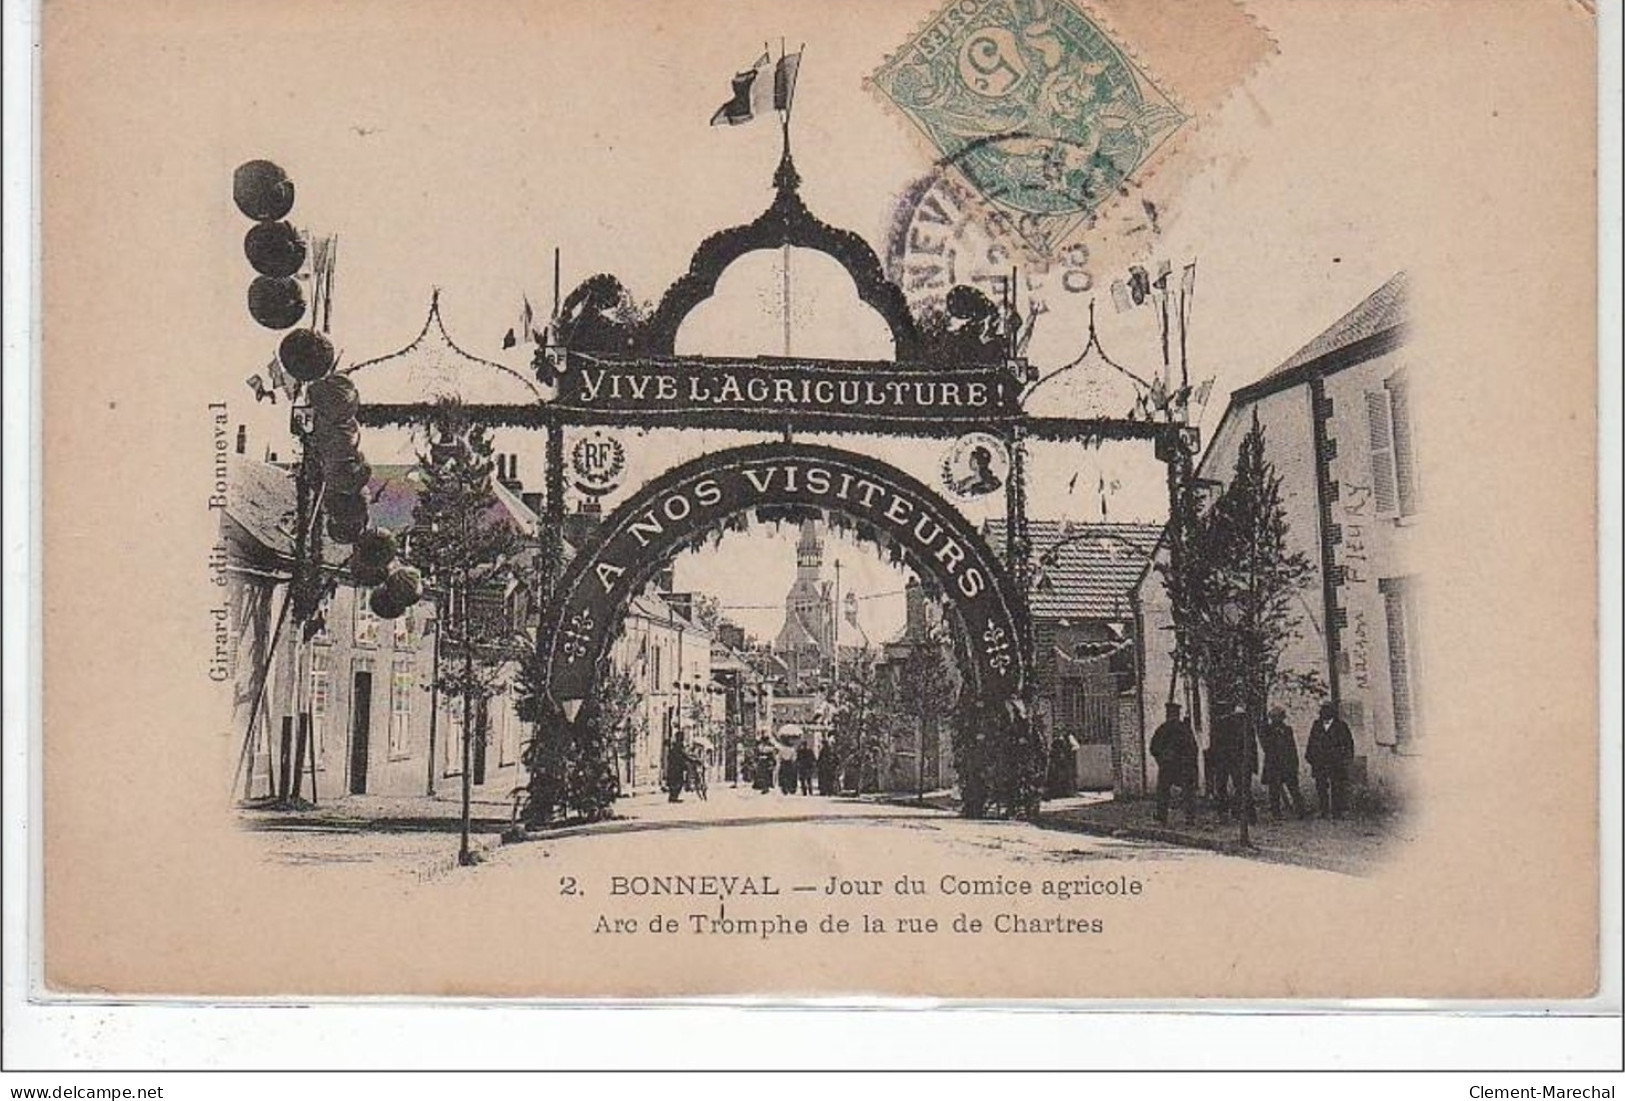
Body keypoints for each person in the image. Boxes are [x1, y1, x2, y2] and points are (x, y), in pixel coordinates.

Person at [1149, 702, 1199, 825]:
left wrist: (1161, 760)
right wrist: (1191, 763)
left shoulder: (1163, 728)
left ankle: (1162, 817)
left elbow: (1153, 748)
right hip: (1184, 766)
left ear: (1168, 713)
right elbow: (1193, 747)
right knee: (1188, 792)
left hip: (1168, 766)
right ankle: (1190, 818)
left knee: (1163, 791)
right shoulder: (1184, 729)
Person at [1305, 700, 1355, 818]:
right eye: (1323, 710)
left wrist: (1346, 758)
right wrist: (1310, 757)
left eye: (1327, 710)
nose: (1324, 712)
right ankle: (1324, 810)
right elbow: (1311, 741)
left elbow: (1348, 743)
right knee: (1321, 786)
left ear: (1333, 712)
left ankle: (1337, 811)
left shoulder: (1341, 726)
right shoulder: (1316, 725)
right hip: (1320, 761)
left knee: (1337, 786)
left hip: (1335, 762)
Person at [1260, 707, 1309, 820]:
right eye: (1274, 717)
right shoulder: (1267, 730)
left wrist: (1295, 764)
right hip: (1274, 765)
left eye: (1279, 717)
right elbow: (1266, 746)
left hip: (1287, 764)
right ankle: (1276, 813)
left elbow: (1292, 748)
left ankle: (1301, 811)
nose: (1276, 719)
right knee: (1274, 791)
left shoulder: (1287, 730)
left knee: (1293, 788)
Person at [1211, 704, 1258, 823]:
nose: (1240, 719)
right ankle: (1224, 813)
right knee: (1224, 787)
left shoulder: (1247, 728)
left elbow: (1252, 746)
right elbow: (1215, 744)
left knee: (1242, 788)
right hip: (1225, 761)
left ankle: (1243, 814)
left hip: (1238, 762)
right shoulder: (1222, 725)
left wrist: (1253, 764)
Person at [664, 738, 687, 803]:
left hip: (672, 768)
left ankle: (672, 797)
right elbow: (684, 756)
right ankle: (674, 797)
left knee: (673, 783)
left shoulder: (673, 749)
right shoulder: (679, 748)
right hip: (677, 769)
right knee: (678, 783)